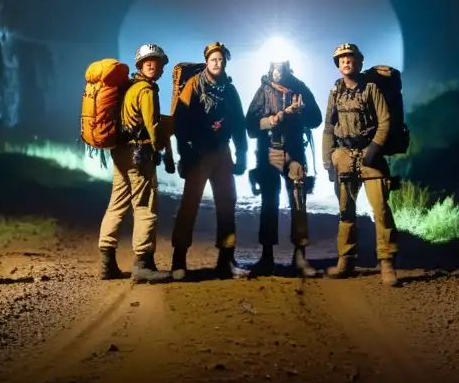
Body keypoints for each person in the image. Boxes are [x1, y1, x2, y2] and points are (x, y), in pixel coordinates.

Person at [322, 43, 399, 286]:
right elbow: (328, 127)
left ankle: (386, 263)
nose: (346, 62)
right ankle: (346, 259)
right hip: (343, 155)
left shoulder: (371, 88)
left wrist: (374, 150)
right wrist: (327, 160)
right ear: (338, 65)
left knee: (381, 210)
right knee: (346, 211)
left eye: (350, 58)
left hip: (369, 154)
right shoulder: (335, 91)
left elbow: (385, 121)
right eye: (342, 59)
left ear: (359, 62)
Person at [170, 42, 249, 280]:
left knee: (227, 204)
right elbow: (180, 123)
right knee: (189, 205)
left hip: (223, 152)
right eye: (214, 59)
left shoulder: (229, 89)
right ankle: (178, 261)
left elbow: (238, 124)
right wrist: (184, 154)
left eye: (222, 60)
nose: (218, 63)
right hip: (198, 153)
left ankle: (227, 260)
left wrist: (242, 154)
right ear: (207, 61)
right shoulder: (193, 86)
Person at [97, 43, 173, 284]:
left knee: (117, 203)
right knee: (145, 205)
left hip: (120, 151)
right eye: (148, 61)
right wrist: (161, 149)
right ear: (140, 65)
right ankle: (143, 263)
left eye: (155, 61)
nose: (152, 65)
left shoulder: (128, 88)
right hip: (138, 153)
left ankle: (106, 263)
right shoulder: (147, 91)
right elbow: (153, 127)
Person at [245, 60, 322, 277]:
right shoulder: (264, 89)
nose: (278, 72)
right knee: (269, 203)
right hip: (270, 153)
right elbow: (250, 125)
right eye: (275, 68)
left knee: (298, 202)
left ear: (288, 70)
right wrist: (277, 118)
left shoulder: (300, 88)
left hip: (295, 152)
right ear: (271, 70)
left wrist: (303, 111)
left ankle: (299, 256)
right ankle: (267, 256)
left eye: (282, 68)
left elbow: (316, 120)